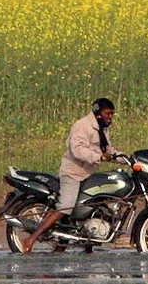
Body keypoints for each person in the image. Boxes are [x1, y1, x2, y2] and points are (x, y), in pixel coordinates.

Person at [22, 97, 116, 253]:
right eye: (108, 113)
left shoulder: (102, 128)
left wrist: (126, 159)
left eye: (112, 114)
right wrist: (99, 157)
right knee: (66, 206)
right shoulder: (83, 126)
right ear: (98, 113)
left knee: (96, 204)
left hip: (88, 173)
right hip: (73, 173)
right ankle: (31, 239)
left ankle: (88, 241)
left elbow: (107, 149)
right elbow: (77, 150)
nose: (110, 117)